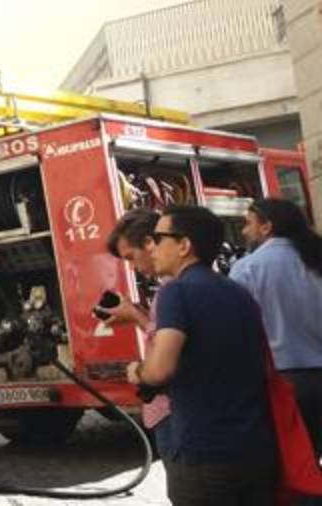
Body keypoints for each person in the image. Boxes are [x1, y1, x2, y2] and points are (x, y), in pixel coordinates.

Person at [128, 205, 276, 505]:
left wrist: (137, 372)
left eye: (158, 238)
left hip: (204, 452)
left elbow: (160, 370)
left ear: (184, 245)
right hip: (256, 448)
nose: (151, 247)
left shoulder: (175, 292)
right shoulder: (238, 292)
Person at [230, 198, 322, 475]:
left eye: (248, 224)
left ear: (266, 227)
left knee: (288, 470)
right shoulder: (315, 258)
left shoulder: (247, 268)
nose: (244, 231)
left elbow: (236, 331)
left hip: (282, 382)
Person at [101, 208, 175, 454]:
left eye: (131, 257)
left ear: (149, 243)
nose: (132, 268)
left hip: (173, 412)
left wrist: (134, 315)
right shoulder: (176, 287)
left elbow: (165, 355)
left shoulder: (174, 291)